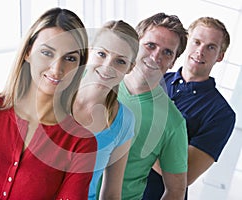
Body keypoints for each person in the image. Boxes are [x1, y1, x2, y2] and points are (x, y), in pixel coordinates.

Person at [0, 7, 97, 200]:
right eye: (47, 53)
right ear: (28, 52)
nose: (57, 68)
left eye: (70, 58)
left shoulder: (81, 143)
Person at [143, 17, 236, 200]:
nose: (200, 51)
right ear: (187, 43)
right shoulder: (151, 80)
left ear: (220, 56)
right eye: (197, 42)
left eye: (210, 47)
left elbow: (185, 173)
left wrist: (132, 130)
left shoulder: (221, 114)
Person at [118, 13, 189, 200]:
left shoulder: (173, 122)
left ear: (173, 62)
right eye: (150, 46)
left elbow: (176, 190)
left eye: (167, 52)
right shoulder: (97, 80)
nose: (156, 56)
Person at [73, 20, 139, 199]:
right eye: (102, 54)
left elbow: (111, 193)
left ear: (130, 68)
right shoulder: (54, 96)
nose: (108, 65)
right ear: (89, 51)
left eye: (120, 61)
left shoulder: (124, 121)